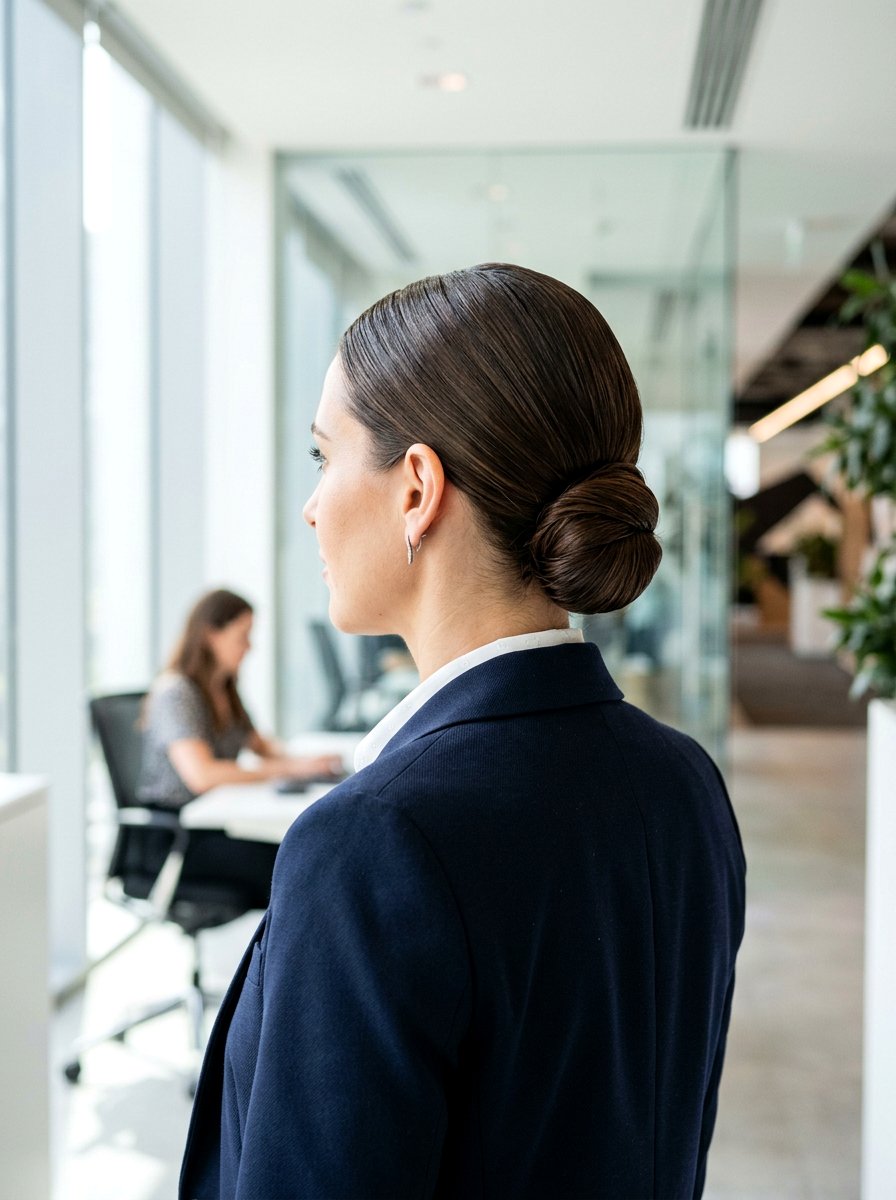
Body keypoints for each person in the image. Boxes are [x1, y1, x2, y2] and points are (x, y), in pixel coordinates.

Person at [180, 265, 746, 1198]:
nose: (312, 505)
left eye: (324, 457)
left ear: (416, 490)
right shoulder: (682, 780)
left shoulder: (372, 842)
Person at [138, 587, 341, 909]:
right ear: (210, 634)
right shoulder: (176, 691)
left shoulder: (224, 688)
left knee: (302, 859)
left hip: (208, 829)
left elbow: (262, 747)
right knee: (294, 869)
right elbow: (202, 775)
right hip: (173, 840)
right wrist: (291, 769)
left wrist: (308, 763)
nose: (249, 647)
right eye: (242, 636)